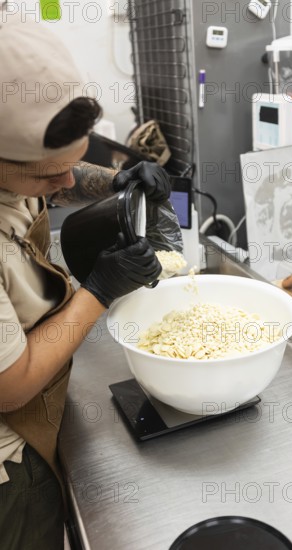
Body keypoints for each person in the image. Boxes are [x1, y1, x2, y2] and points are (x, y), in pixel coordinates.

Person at [0, 14, 171, 549]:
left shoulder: (21, 150)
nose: (68, 182)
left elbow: (53, 184)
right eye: (50, 172)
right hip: (11, 462)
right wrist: (99, 290)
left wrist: (115, 179)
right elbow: (13, 383)